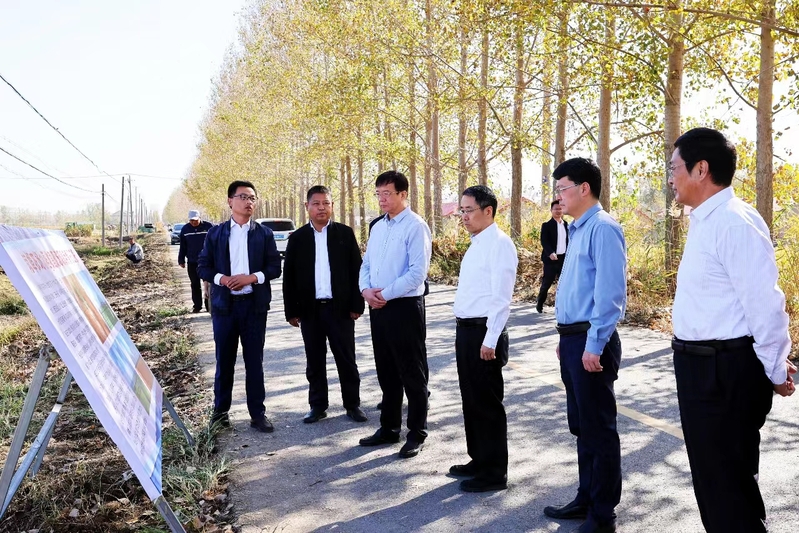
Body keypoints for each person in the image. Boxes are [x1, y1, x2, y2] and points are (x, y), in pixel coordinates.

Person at [667, 127, 797, 532]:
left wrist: (775, 368)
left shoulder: (734, 221)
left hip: (722, 372)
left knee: (727, 493)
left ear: (701, 169)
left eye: (674, 167)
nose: (670, 177)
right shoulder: (705, 220)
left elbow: (764, 304)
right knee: (716, 486)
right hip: (700, 368)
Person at [543, 158, 626, 533]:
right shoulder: (578, 229)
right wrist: (566, 338)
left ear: (584, 188)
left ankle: (603, 514)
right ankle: (586, 497)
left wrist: (593, 343)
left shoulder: (603, 228)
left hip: (593, 340)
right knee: (582, 425)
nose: (558, 196)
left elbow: (610, 294)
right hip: (574, 338)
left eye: (562, 188)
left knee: (599, 428)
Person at [358, 170, 432, 458]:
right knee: (386, 370)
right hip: (378, 306)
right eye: (378, 194)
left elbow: (417, 273)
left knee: (412, 372)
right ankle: (389, 427)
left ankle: (417, 432)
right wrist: (366, 290)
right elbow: (366, 264)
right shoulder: (378, 227)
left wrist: (383, 295)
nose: (382, 199)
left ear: (403, 194)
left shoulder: (416, 226)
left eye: (387, 193)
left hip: (404, 307)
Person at [198, 180, 282, 433]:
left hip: (254, 307)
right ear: (230, 201)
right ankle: (220, 413)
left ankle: (257, 413)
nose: (249, 202)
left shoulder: (263, 234)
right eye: (243, 197)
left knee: (254, 361)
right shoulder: (216, 234)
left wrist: (251, 278)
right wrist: (222, 279)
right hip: (224, 307)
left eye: (252, 198)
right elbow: (203, 266)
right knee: (224, 361)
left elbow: (274, 268)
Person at [450, 185, 517, 492]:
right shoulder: (477, 242)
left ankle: (494, 473)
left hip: (484, 333)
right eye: (461, 211)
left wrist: (490, 339)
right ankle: (479, 459)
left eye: (469, 210)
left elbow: (501, 298)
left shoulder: (499, 244)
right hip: (467, 330)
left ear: (488, 211)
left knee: (487, 403)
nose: (463, 216)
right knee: (471, 399)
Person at [282, 185, 367, 424]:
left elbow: (357, 271)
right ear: (307, 206)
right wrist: (292, 311)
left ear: (332, 206)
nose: (321, 208)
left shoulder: (344, 234)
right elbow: (289, 278)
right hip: (310, 311)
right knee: (315, 360)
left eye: (326, 203)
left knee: (346, 359)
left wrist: (357, 305)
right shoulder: (298, 238)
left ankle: (353, 404)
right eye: (316, 203)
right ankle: (318, 405)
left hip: (340, 310)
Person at [178, 210, 213, 313]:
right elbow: (183, 246)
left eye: (195, 220)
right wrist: (181, 259)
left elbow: (215, 242)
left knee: (208, 283)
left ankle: (209, 305)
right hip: (192, 261)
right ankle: (197, 306)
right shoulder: (185, 229)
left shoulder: (208, 227)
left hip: (207, 261)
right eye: (191, 220)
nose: (193, 222)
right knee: (194, 284)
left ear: (199, 218)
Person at [536, 200, 568, 313]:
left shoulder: (566, 225)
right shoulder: (546, 225)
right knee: (547, 283)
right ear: (551, 210)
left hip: (563, 259)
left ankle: (562, 306)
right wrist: (550, 253)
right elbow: (544, 241)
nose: (558, 211)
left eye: (560, 209)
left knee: (564, 283)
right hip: (551, 259)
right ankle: (540, 303)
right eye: (556, 209)